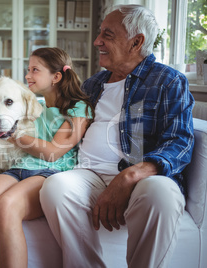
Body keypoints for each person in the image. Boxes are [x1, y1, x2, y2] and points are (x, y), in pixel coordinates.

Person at [40, 4, 195, 268]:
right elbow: (63, 125)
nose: (96, 41)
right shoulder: (93, 84)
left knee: (161, 195)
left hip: (142, 176)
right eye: (100, 33)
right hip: (87, 173)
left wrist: (129, 175)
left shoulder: (167, 81)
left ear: (136, 42)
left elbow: (179, 142)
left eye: (107, 35)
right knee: (55, 188)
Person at [0, 47, 93, 268]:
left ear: (56, 77)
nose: (27, 76)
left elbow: (53, 152)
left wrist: (12, 135)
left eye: (35, 70)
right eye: (28, 69)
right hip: (20, 167)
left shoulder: (79, 108)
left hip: (50, 173)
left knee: (6, 206)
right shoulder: (36, 107)